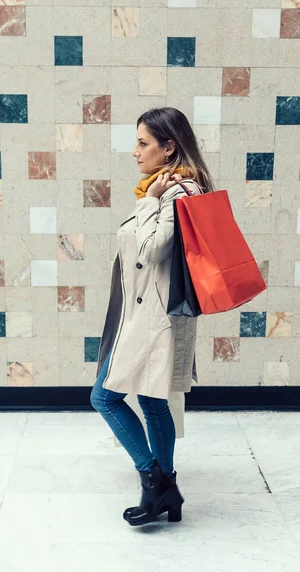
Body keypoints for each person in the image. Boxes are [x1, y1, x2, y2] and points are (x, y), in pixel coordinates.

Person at [90, 106, 215, 527]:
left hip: (153, 317)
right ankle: (168, 493)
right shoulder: (167, 189)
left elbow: (150, 252)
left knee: (104, 397)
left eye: (143, 143)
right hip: (148, 313)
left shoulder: (176, 192)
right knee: (151, 399)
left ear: (169, 147)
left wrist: (149, 201)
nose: (135, 151)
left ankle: (154, 480)